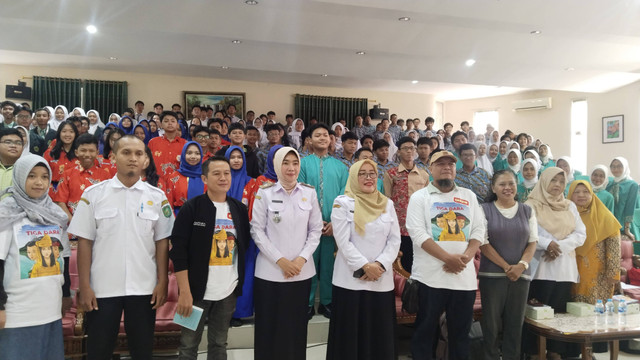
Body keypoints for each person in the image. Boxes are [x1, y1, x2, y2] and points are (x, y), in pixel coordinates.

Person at [68, 135, 174, 359]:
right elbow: (85, 242)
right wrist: (85, 285)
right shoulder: (93, 195)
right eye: (126, 152)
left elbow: (162, 242)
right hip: (103, 289)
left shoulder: (158, 198)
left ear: (146, 159)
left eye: (138, 153)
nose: (133, 158)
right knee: (99, 350)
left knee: (142, 351)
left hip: (144, 289)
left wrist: (163, 281)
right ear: (113, 156)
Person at [406, 149, 486, 360]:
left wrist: (467, 257)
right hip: (430, 278)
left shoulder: (468, 196)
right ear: (430, 169)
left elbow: (479, 229)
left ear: (455, 169)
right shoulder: (419, 197)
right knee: (425, 333)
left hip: (463, 279)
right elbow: (417, 233)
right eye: (440, 164)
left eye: (450, 164)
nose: (446, 167)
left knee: (460, 336)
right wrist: (447, 258)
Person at [170, 156, 250, 360]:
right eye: (217, 173)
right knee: (187, 345)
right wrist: (184, 292)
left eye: (226, 173)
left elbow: (244, 246)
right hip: (194, 293)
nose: (223, 178)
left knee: (219, 343)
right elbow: (178, 252)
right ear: (205, 179)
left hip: (228, 291)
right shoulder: (192, 208)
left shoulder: (239, 209)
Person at [250, 147, 322, 360]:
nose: (291, 168)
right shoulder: (265, 192)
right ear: (276, 165)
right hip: (270, 273)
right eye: (286, 163)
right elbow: (257, 230)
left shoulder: (309, 193)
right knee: (268, 327)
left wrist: (300, 260)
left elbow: (316, 229)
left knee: (296, 327)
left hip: (301, 272)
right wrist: (281, 260)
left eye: (295, 163)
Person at [326, 159, 401, 360]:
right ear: (353, 177)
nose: (368, 178)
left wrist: (380, 265)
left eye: (372, 173)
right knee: (349, 338)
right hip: (350, 281)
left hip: (380, 280)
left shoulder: (388, 204)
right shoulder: (341, 203)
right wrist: (365, 266)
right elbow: (342, 241)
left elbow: (395, 240)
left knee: (379, 336)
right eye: (362, 173)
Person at [0, 154, 72, 359]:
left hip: (49, 309)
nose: (39, 182)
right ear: (20, 177)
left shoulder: (54, 214)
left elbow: (63, 257)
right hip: (17, 313)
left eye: (44, 177)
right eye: (31, 176)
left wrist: (66, 295)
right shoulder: (6, 214)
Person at [522, 167, 586, 359]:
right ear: (543, 181)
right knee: (537, 313)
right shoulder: (530, 205)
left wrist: (558, 247)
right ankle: (534, 352)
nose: (557, 185)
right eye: (553, 180)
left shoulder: (569, 206)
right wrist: (546, 244)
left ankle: (555, 351)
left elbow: (580, 234)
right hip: (540, 267)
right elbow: (527, 232)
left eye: (561, 181)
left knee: (559, 312)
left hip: (564, 267)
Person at [479, 170, 538, 360]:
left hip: (521, 276)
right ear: (493, 188)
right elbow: (483, 242)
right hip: (492, 276)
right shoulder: (484, 209)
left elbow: (533, 242)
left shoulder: (527, 210)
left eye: (511, 184)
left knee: (515, 324)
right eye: (502, 184)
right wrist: (506, 266)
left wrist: (521, 265)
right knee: (491, 325)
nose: (507, 188)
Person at [298, 123, 349, 319]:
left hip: (332, 226)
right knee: (308, 264)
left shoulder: (340, 167)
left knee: (329, 266)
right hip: (308, 226)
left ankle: (326, 302)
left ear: (331, 140)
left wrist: (334, 223)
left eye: (325, 135)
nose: (322, 138)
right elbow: (301, 193)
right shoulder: (302, 164)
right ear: (309, 140)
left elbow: (344, 196)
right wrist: (315, 222)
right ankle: (308, 303)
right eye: (317, 135)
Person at [568, 180, 620, 305]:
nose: (581, 195)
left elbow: (614, 247)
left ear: (592, 194)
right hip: (570, 271)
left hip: (598, 274)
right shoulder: (565, 215)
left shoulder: (604, 216)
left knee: (595, 312)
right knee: (572, 310)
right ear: (570, 195)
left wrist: (613, 273)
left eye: (586, 192)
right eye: (577, 192)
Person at [383, 137, 429, 273]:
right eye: (405, 148)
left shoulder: (424, 175)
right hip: (398, 226)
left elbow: (428, 201)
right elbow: (387, 200)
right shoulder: (391, 174)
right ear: (398, 152)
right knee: (400, 263)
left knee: (418, 263)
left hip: (418, 225)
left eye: (412, 148)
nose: (409, 151)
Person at [53, 134, 111, 221]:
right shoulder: (67, 174)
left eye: (91, 151)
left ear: (97, 153)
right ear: (76, 152)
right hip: (71, 226)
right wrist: (74, 224)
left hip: (97, 225)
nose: (87, 154)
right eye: (83, 150)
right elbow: (60, 202)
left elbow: (108, 203)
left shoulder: (105, 175)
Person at [164, 141, 206, 214]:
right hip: (179, 218)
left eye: (197, 153)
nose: (193, 157)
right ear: (183, 155)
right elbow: (169, 203)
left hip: (203, 218)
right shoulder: (174, 177)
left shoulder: (206, 177)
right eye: (189, 153)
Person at [242, 145, 282, 220]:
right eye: (276, 157)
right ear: (270, 159)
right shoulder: (262, 180)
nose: (279, 160)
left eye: (282, 158)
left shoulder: (291, 180)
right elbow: (255, 206)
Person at [606, 157, 639, 240]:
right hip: (608, 224)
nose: (616, 169)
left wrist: (627, 229)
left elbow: (630, 208)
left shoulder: (632, 185)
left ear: (625, 167)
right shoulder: (609, 183)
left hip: (622, 226)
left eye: (619, 166)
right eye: (613, 166)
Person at [148, 111, 187, 176]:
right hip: (157, 182)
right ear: (161, 124)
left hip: (178, 182)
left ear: (177, 124)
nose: (169, 123)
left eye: (173, 121)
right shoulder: (153, 142)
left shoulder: (185, 144)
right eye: (166, 121)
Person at [43, 121, 79, 187]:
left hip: (76, 188)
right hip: (54, 190)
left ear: (75, 134)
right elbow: (43, 174)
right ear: (59, 133)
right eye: (64, 131)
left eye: (71, 132)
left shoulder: (80, 153)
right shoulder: (50, 153)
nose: (67, 134)